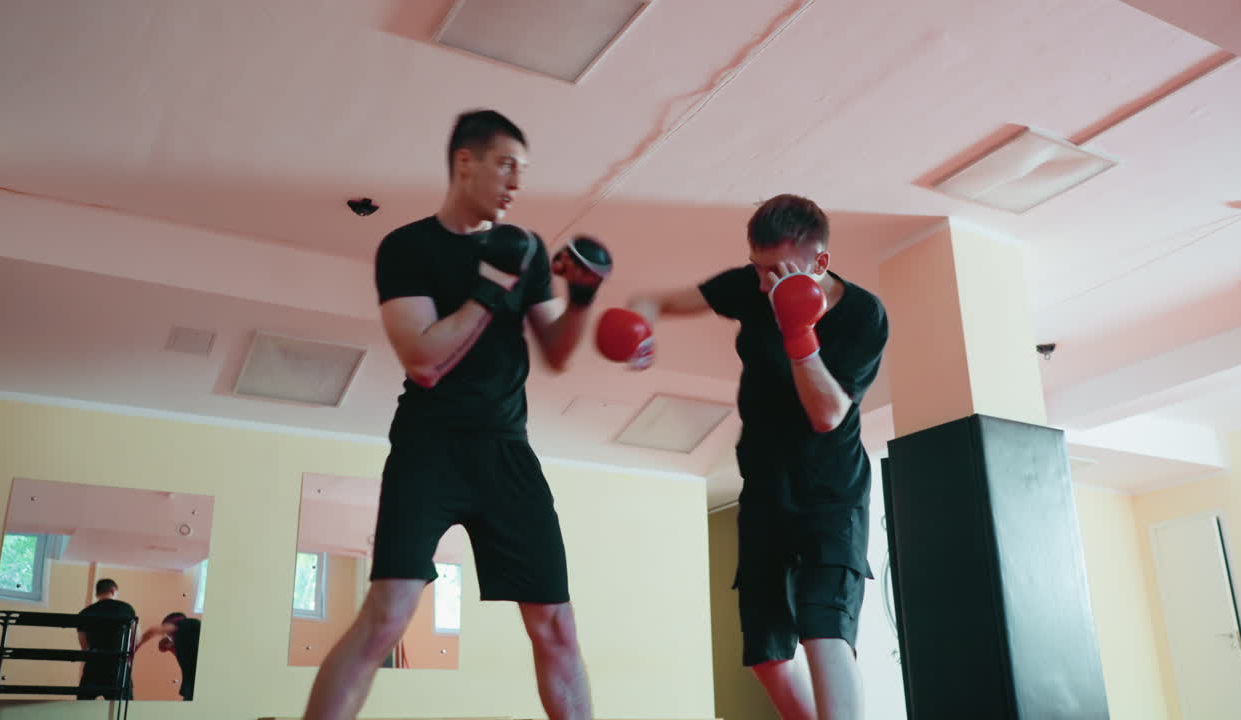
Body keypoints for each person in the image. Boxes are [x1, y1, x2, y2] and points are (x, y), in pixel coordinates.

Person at [300, 109, 610, 720]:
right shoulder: (407, 247)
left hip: (506, 450)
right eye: (506, 165)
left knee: (556, 626)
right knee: (388, 614)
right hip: (430, 446)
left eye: (523, 171)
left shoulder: (522, 247)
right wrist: (490, 287)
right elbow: (423, 360)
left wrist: (582, 299)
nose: (516, 183)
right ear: (464, 162)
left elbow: (556, 351)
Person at [619, 194, 888, 720]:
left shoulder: (862, 314)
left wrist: (798, 332)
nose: (764, 284)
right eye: (757, 268)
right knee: (766, 655)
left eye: (777, 272)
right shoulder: (750, 285)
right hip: (765, 489)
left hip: (831, 495)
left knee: (822, 633)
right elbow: (655, 298)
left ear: (820, 263)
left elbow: (829, 413)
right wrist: (641, 324)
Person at [76, 578, 136, 701]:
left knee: (83, 705)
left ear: (97, 593)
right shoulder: (126, 609)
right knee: (123, 706)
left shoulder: (85, 613)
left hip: (94, 666)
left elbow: (84, 646)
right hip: (118, 666)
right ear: (113, 591)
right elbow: (134, 636)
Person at [135, 612, 201, 701]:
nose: (169, 637)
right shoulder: (190, 633)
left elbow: (152, 631)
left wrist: (133, 649)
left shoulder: (183, 624)